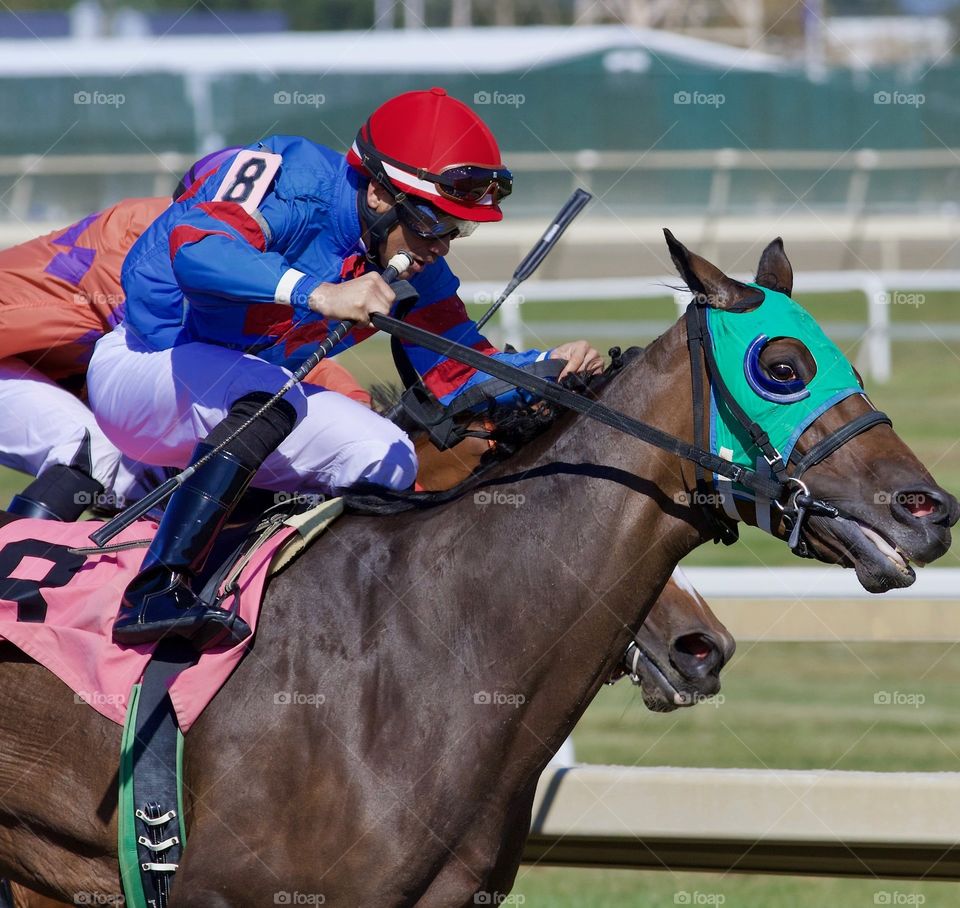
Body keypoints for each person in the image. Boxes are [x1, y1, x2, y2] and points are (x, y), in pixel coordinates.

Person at [87, 86, 603, 648]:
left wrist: (546, 368)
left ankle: (298, 608)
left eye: (459, 230)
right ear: (381, 194)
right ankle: (153, 592)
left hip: (243, 407)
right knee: (274, 395)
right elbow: (198, 248)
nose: (442, 247)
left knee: (389, 457)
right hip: (142, 370)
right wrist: (318, 294)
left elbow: (456, 373)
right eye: (433, 223)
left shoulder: (413, 265)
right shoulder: (287, 175)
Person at [0, 196, 170, 518]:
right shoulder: (143, 234)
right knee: (87, 449)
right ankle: (16, 564)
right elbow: (162, 367)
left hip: (19, 361)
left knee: (152, 489)